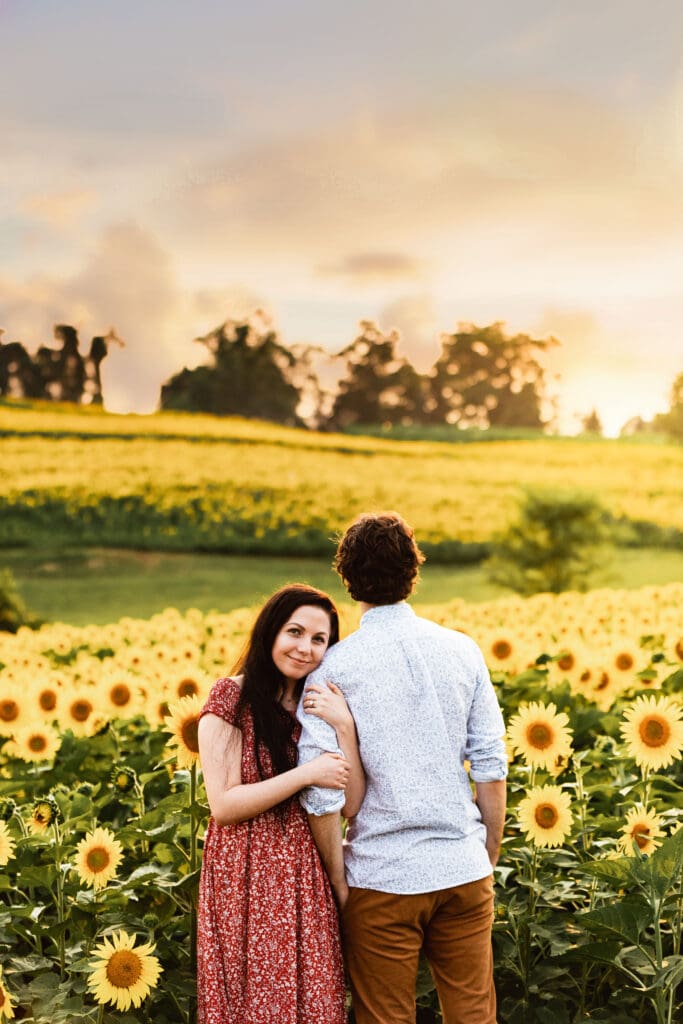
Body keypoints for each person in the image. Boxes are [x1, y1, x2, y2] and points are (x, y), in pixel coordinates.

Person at [297, 513, 508, 1024]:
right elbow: (491, 765)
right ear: (413, 571)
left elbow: (323, 794)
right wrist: (485, 854)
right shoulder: (463, 651)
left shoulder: (333, 669)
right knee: (474, 1014)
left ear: (346, 579)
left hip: (380, 876)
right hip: (463, 868)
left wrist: (338, 879)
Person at [197, 583, 364, 1024]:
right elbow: (225, 805)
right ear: (270, 631)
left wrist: (344, 724)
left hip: (306, 871)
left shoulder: (318, 704)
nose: (305, 648)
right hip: (246, 872)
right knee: (257, 1002)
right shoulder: (229, 697)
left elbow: (349, 802)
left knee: (316, 996)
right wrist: (306, 774)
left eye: (319, 639)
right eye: (295, 632)